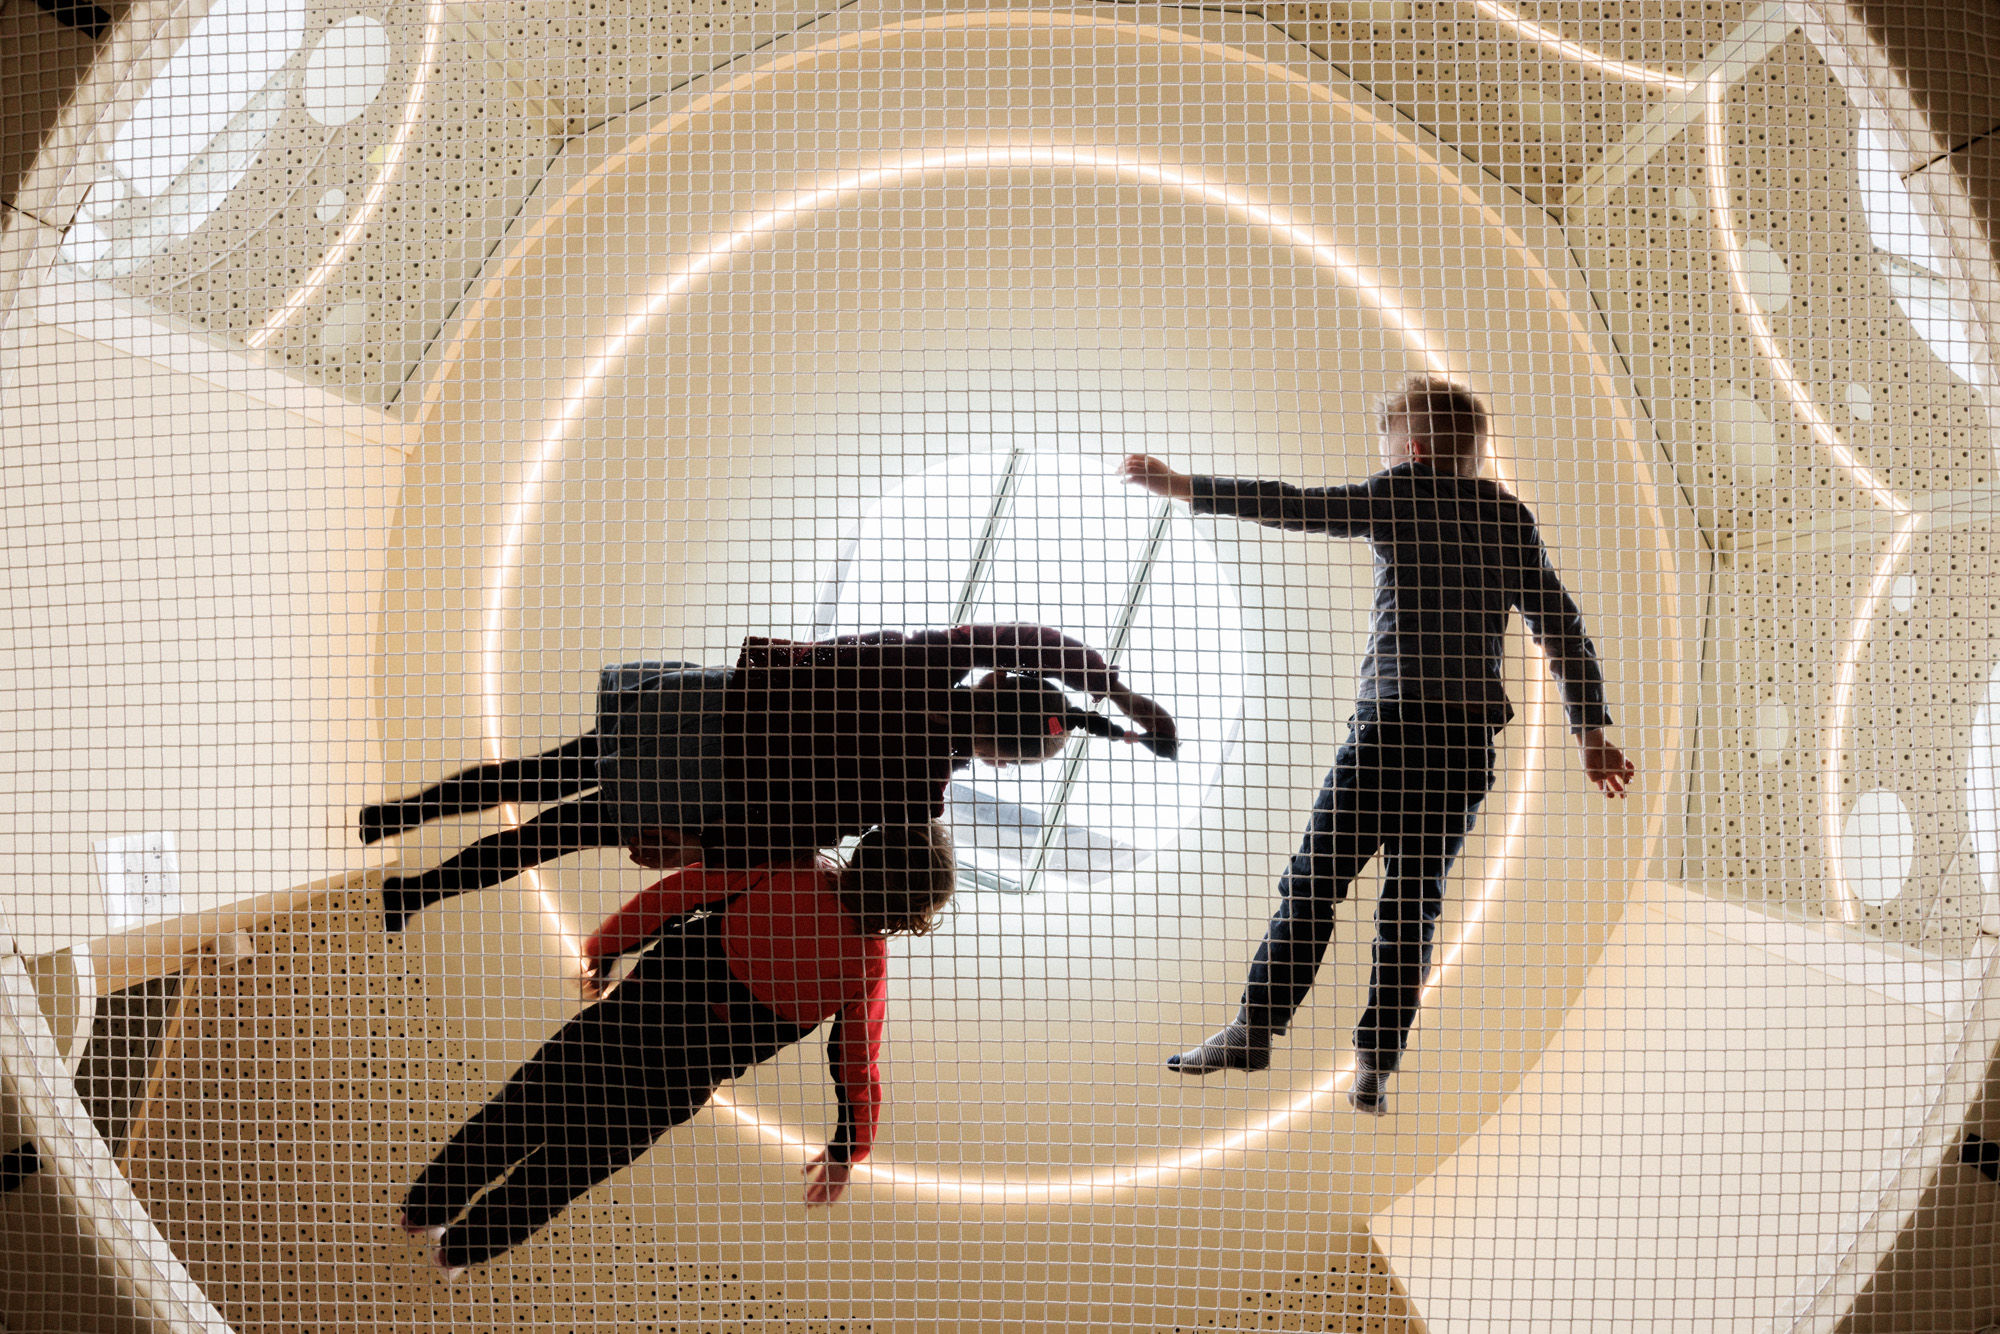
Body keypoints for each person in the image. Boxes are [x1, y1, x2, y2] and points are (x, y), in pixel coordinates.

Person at [1121, 374, 1634, 1115]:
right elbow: (1562, 628)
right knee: (1410, 906)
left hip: (1389, 732)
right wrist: (1591, 732)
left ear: (1412, 450)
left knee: (1313, 883)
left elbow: (1296, 505)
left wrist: (1182, 486)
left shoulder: (1404, 491)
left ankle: (1255, 1028)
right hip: (1462, 748)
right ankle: (1374, 1066)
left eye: (1387, 444)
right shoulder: (1508, 516)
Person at [396, 822, 957, 1276]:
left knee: (519, 1112)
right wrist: (846, 1150)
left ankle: (425, 1208)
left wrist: (607, 946)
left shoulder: (786, 866)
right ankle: (460, 1251)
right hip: (676, 1082)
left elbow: (676, 894)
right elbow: (856, 1064)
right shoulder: (865, 969)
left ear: (862, 851)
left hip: (623, 1024)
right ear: (909, 914)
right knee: (564, 1172)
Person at [362, 624, 1177, 933]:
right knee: (550, 833)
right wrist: (699, 850)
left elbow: (1033, 641)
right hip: (711, 784)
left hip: (706, 719)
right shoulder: (919, 789)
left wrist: (1118, 696)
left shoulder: (937, 666)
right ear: (1003, 758)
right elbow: (800, 832)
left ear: (999, 680)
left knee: (536, 779)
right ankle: (411, 893)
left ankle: (394, 823)